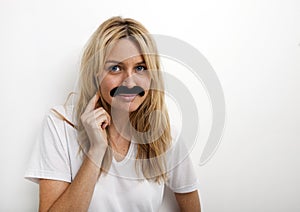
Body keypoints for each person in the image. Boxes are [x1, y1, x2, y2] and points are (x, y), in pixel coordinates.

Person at [25, 16, 201, 211]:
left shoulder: (166, 136)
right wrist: (96, 150)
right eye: (115, 68)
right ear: (95, 74)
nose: (130, 83)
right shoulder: (61, 125)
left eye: (140, 68)